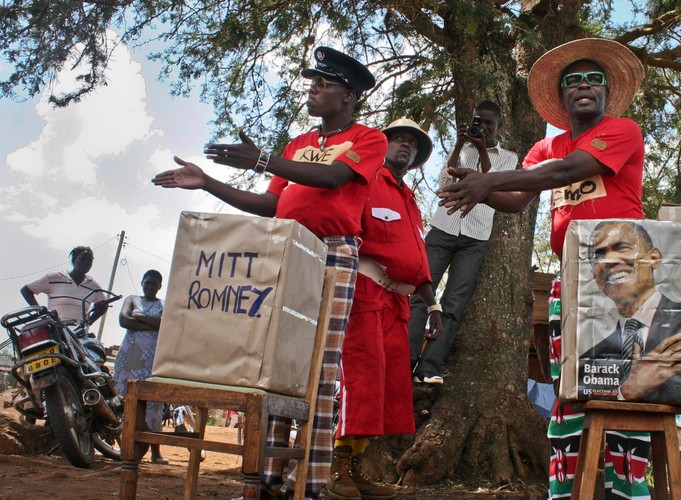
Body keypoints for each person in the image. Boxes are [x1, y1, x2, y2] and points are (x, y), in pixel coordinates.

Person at [152, 46, 386, 500]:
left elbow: (336, 178)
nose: (313, 89)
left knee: (319, 369)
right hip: (288, 250)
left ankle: (310, 484)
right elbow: (274, 205)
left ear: (349, 96)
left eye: (324, 84)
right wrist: (210, 183)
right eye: (312, 82)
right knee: (276, 364)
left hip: (334, 254)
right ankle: (268, 480)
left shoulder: (368, 139)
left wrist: (261, 160)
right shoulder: (297, 145)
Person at [437, 38, 651, 499]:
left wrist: (487, 179)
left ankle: (624, 489)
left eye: (594, 79)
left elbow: (564, 172)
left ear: (608, 93)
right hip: (568, 274)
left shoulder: (622, 130)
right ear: (563, 97)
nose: (584, 86)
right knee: (571, 384)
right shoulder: (543, 146)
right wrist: (476, 183)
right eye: (573, 81)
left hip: (622, 273)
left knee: (623, 382)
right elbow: (515, 200)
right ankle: (571, 486)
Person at [329, 119, 442, 500]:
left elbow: (417, 259)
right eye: (398, 140)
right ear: (382, 143)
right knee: (359, 381)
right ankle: (335, 466)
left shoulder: (408, 198)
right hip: (363, 292)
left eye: (413, 144)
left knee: (383, 388)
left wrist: (434, 305)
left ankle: (357, 466)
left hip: (398, 303)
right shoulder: (364, 179)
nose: (406, 147)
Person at [407, 101, 518, 385]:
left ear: (500, 127)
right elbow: (444, 180)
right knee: (421, 295)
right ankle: (405, 360)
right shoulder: (460, 149)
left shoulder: (509, 157)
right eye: (478, 121)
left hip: (475, 236)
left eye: (489, 123)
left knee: (454, 303)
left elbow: (491, 183)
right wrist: (459, 145)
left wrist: (482, 150)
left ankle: (429, 368)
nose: (483, 127)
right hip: (443, 228)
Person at [580, 220, 681, 404]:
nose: (609, 260)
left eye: (622, 248)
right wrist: (626, 391)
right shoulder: (590, 358)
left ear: (654, 258)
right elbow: (582, 400)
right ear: (595, 277)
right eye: (599, 255)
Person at [113, 269, 167, 464]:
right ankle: (123, 446)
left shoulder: (164, 304)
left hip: (153, 359)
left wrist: (139, 318)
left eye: (154, 283)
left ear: (160, 286)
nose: (150, 286)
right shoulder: (132, 299)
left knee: (153, 403)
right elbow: (124, 320)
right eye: (147, 282)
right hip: (129, 358)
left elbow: (166, 324)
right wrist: (152, 323)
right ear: (142, 282)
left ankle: (155, 452)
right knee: (126, 401)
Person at [20, 246, 108, 324]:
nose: (86, 263)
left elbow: (104, 305)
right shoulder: (55, 277)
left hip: (77, 336)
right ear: (73, 260)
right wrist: (41, 312)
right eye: (82, 259)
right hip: (55, 331)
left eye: (89, 261)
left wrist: (90, 321)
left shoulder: (93, 286)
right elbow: (26, 290)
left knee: (94, 343)